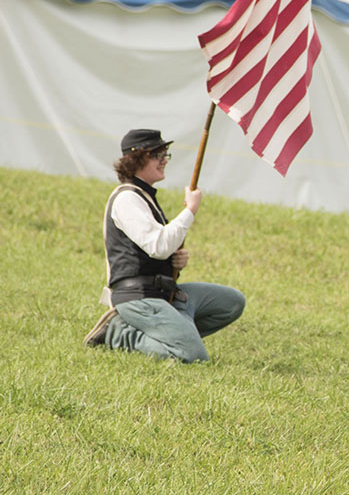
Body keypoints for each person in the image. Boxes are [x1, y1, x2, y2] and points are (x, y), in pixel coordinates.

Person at [84, 128, 245, 361]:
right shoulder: (126, 198)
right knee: (194, 356)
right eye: (157, 155)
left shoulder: (144, 196)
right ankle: (117, 333)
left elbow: (158, 249)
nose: (164, 161)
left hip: (164, 294)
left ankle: (177, 329)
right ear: (137, 159)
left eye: (165, 154)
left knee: (232, 303)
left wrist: (176, 259)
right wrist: (190, 210)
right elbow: (158, 246)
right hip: (139, 298)